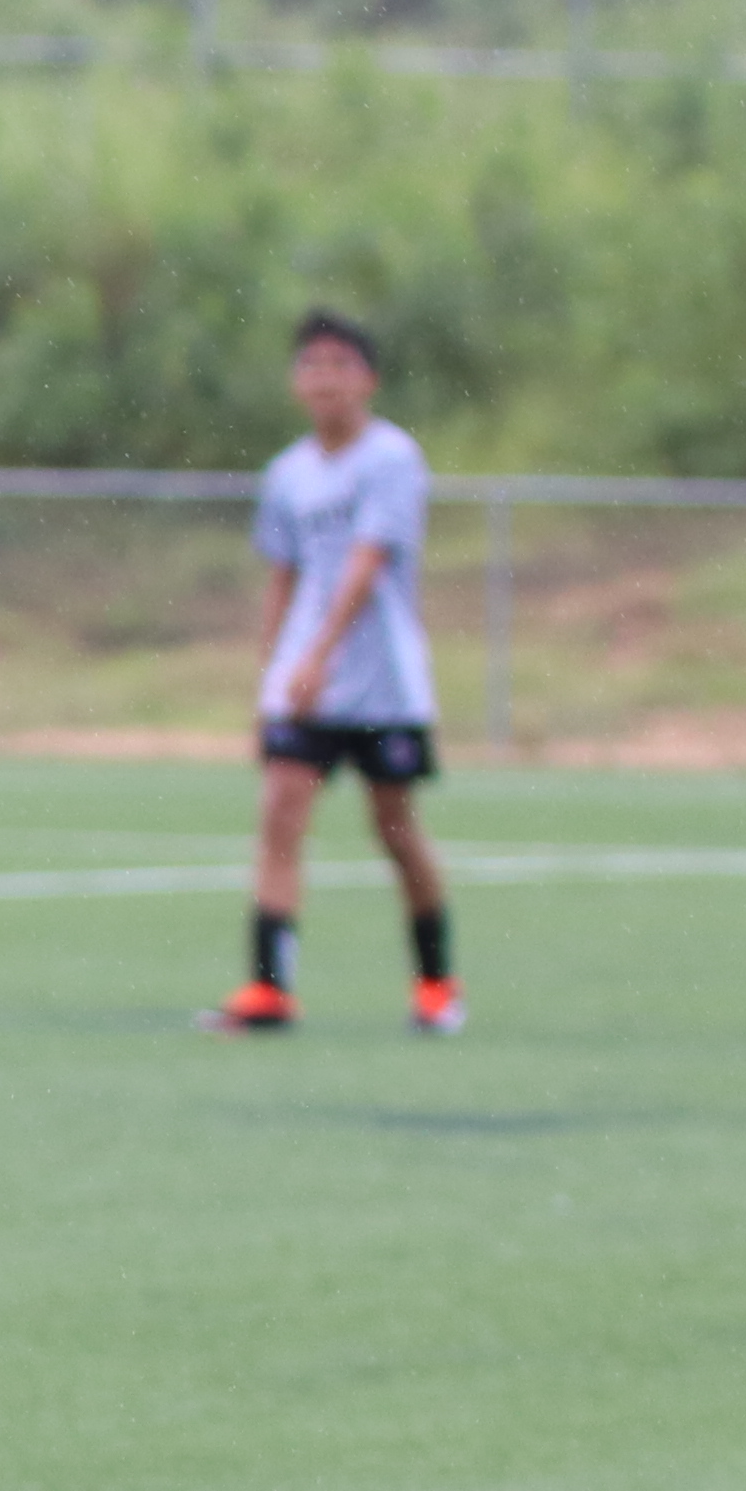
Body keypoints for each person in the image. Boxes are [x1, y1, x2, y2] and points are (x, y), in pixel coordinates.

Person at [214, 312, 460, 1037]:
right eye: (312, 365)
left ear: (368, 380)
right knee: (279, 817)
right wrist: (273, 669)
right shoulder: (287, 473)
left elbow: (365, 563)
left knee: (394, 829)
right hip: (305, 686)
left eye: (340, 364)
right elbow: (283, 574)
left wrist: (316, 656)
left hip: (380, 682)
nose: (325, 378)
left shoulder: (391, 460)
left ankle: (437, 983)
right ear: (296, 382)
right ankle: (269, 989)